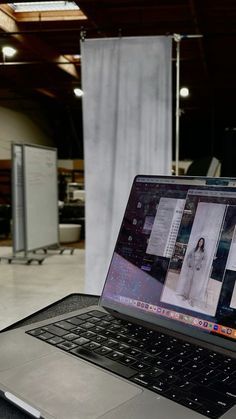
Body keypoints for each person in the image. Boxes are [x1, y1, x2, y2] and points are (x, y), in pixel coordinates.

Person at [176, 237, 207, 307]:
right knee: (188, 282)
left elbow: (204, 260)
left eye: (202, 242)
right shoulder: (194, 249)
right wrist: (189, 263)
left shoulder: (204, 251)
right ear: (198, 242)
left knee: (194, 284)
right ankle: (185, 296)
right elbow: (188, 257)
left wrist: (200, 266)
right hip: (191, 268)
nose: (200, 243)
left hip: (197, 270)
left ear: (203, 243)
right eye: (199, 241)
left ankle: (191, 299)